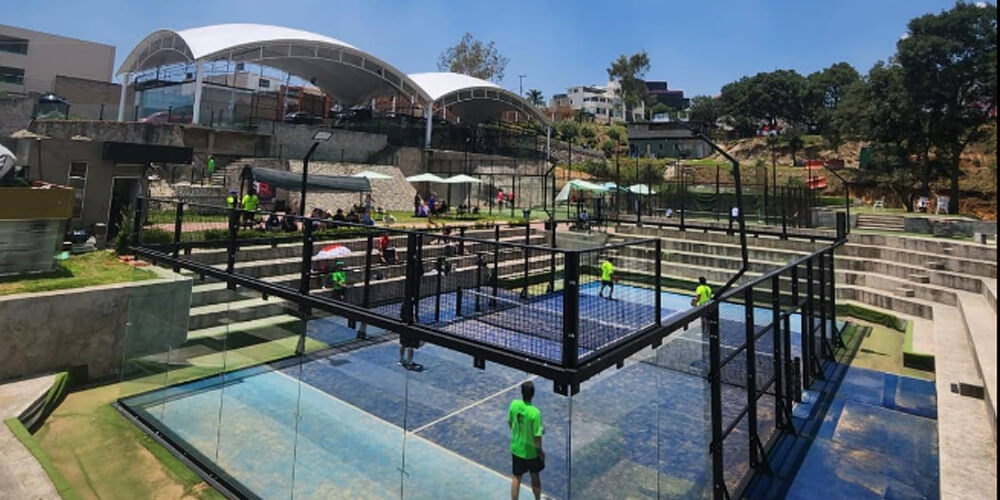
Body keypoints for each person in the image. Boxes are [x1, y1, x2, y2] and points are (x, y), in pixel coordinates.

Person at [509, 380, 543, 500]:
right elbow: (537, 437)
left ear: (522, 392)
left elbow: (510, 423)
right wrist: (540, 452)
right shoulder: (535, 413)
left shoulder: (514, 404)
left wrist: (517, 434)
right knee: (535, 476)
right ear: (533, 394)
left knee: (516, 477)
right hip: (531, 453)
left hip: (516, 449)